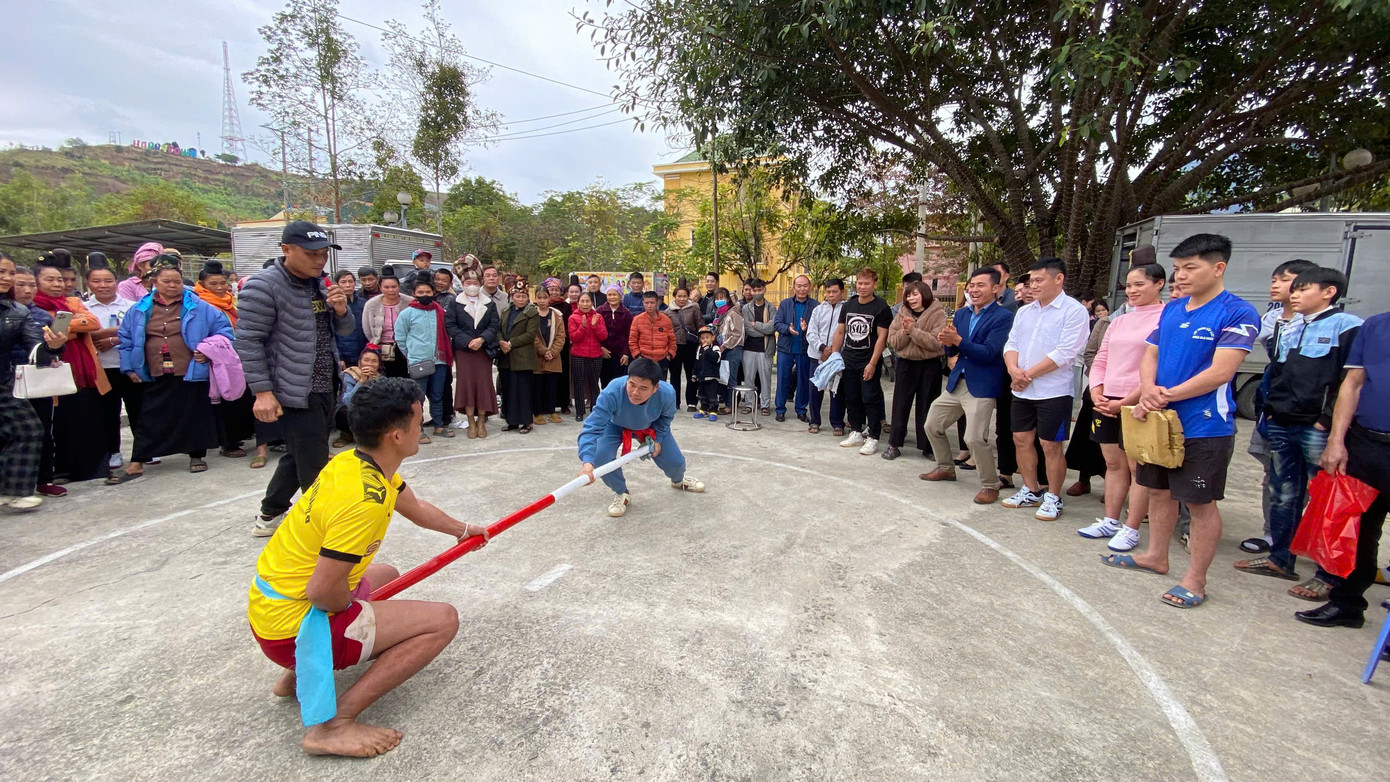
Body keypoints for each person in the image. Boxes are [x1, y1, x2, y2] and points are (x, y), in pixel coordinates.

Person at [247, 376, 488, 758]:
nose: (422, 420)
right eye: (417, 416)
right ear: (396, 435)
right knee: (443, 620)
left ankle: (296, 679)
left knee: (384, 575)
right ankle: (333, 725)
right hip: (291, 628)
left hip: (268, 607)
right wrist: (355, 613)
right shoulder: (365, 501)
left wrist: (462, 530)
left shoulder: (355, 463)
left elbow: (416, 508)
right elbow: (322, 592)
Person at [1106, 234, 1259, 609]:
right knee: (1157, 491)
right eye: (1177, 269)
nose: (1181, 276)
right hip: (1158, 419)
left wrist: (1166, 395)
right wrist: (1149, 391)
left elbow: (1222, 371)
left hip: (1205, 425)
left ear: (1218, 268)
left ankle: (1195, 579)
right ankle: (1156, 556)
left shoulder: (1237, 312)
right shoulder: (1173, 310)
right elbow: (1150, 355)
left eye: (1191, 268)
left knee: (1198, 501)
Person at [1234, 267, 1362, 598]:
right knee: (1283, 493)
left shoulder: (1347, 326)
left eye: (1304, 289)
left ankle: (1327, 574)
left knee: (1326, 500)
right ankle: (1280, 558)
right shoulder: (1288, 325)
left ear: (1329, 292)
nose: (1294, 293)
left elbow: (1352, 383)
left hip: (1316, 428)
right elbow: (1276, 373)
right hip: (1281, 422)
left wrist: (1327, 420)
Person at [236, 221, 357, 537]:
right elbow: (248, 341)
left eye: (323, 254)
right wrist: (262, 392)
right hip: (293, 389)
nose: (319, 261)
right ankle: (319, 531)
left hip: (325, 385)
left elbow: (343, 333)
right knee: (313, 463)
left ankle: (270, 514)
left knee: (302, 452)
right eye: (311, 254)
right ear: (286, 250)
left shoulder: (319, 284)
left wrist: (342, 310)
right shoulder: (263, 286)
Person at [1296, 309, 1390, 629]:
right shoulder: (1376, 326)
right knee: (1356, 531)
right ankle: (1347, 604)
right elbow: (1352, 384)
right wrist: (1336, 441)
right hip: (1367, 444)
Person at [111, 257, 234, 481]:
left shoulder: (200, 307)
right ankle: (138, 461)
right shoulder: (139, 310)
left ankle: (196, 455)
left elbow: (224, 332)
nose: (173, 286)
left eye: (177, 281)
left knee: (194, 414)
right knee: (148, 416)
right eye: (167, 281)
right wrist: (129, 368)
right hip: (154, 370)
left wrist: (207, 349)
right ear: (154, 282)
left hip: (190, 369)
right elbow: (126, 340)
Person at [1076, 264, 1167, 550]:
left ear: (1159, 284)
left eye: (1139, 284)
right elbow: (1101, 357)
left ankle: (1132, 527)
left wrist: (1126, 401)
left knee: (1138, 467)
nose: (1132, 291)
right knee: (1113, 464)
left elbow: (1159, 366)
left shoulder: (1167, 319)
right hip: (1105, 400)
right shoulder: (1119, 321)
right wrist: (1097, 391)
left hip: (1138, 403)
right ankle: (1110, 520)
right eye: (1128, 285)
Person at [1238, 258, 1321, 554]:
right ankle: (1274, 535)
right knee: (1273, 474)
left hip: (1308, 416)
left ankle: (1311, 539)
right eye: (1274, 279)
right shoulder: (1270, 320)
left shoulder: (1325, 324)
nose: (1276, 285)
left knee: (1315, 481)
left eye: (1285, 279)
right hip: (1272, 407)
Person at [999, 258, 1089, 520]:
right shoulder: (1026, 311)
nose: (1033, 286)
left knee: (1050, 445)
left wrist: (1027, 374)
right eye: (1031, 281)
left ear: (1058, 279)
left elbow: (1065, 352)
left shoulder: (1073, 311)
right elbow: (1011, 343)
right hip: (1021, 389)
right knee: (1021, 439)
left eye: (1039, 280)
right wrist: (1014, 371)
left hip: (1054, 391)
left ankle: (1053, 495)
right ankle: (1031, 489)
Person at [921, 268, 1015, 503]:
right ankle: (945, 467)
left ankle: (990, 484)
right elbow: (954, 350)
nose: (973, 290)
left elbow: (991, 353)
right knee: (932, 424)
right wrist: (948, 344)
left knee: (974, 438)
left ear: (995, 288)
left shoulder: (1004, 317)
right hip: (957, 381)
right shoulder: (962, 315)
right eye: (971, 285)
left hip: (982, 384)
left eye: (980, 285)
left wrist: (958, 341)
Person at [577, 357, 706, 517]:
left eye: (643, 388)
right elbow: (592, 427)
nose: (635, 392)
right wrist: (587, 463)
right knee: (600, 457)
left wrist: (657, 438)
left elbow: (666, 418)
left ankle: (678, 480)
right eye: (631, 384)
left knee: (676, 462)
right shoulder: (612, 392)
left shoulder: (666, 394)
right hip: (615, 425)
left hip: (650, 426)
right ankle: (621, 492)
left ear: (655, 388)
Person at [33, 258, 112, 484]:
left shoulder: (72, 301)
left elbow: (92, 322)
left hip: (84, 373)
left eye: (60, 279)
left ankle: (91, 469)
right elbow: (42, 334)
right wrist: (69, 328)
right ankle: (61, 470)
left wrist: (62, 328)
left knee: (87, 422)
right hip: (52, 372)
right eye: (50, 279)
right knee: (60, 425)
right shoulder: (33, 307)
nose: (58, 284)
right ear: (37, 281)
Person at [0, 255, 65, 510]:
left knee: (29, 430)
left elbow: (35, 348)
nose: (6, 278)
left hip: (3, 382)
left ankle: (12, 491)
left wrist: (53, 346)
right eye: (1, 272)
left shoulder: (18, 311)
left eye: (9, 272)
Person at [193, 260, 257, 460]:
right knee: (223, 400)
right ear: (202, 284)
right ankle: (226, 442)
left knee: (239, 398)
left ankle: (239, 436)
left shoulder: (231, 302)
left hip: (237, 357)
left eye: (223, 283)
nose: (220, 288)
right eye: (214, 284)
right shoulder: (199, 305)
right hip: (214, 361)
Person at [84, 261, 140, 472]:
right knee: (108, 413)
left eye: (108, 280)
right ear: (89, 283)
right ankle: (113, 452)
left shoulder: (130, 306)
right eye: (96, 281)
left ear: (116, 282)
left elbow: (137, 333)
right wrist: (118, 331)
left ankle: (142, 450)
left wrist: (112, 339)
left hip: (128, 367)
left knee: (137, 410)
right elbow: (83, 334)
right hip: (100, 368)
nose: (103, 285)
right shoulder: (84, 310)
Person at [883, 280, 947, 460]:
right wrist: (905, 332)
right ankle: (894, 444)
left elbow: (937, 343)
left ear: (925, 295)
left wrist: (914, 332)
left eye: (915, 294)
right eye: (908, 295)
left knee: (927, 406)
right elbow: (893, 341)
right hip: (906, 364)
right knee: (900, 405)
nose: (911, 298)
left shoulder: (937, 313)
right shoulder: (902, 313)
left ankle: (928, 447)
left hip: (930, 365)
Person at [832, 268, 892, 455]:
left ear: (874, 284)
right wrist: (835, 355)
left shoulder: (881, 307)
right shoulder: (848, 306)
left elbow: (882, 337)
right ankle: (856, 431)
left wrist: (873, 363)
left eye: (866, 283)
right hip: (849, 359)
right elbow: (840, 331)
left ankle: (873, 436)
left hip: (868, 361)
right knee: (852, 397)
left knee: (870, 399)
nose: (862, 287)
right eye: (859, 283)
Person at [393, 277, 453, 443]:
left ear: (433, 292)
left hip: (439, 360)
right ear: (414, 294)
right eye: (421, 292)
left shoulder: (440, 311)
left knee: (437, 395)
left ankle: (439, 425)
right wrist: (411, 354)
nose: (425, 294)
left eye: (428, 292)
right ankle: (417, 430)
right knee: (417, 398)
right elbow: (400, 337)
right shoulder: (407, 313)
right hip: (418, 361)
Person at [1063, 300, 1112, 496]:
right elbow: (1091, 353)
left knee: (1114, 441)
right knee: (1086, 433)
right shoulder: (1106, 322)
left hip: (1126, 390)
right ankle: (1084, 479)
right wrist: (1098, 379)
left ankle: (1112, 482)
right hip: (1097, 387)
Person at [445, 271, 499, 439]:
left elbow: (494, 325)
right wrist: (468, 341)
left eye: (474, 282)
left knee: (483, 384)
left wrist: (482, 340)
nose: (471, 285)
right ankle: (470, 420)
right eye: (468, 282)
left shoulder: (488, 303)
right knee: (466, 385)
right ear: (462, 284)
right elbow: (451, 325)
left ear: (480, 283)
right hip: (464, 351)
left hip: (483, 350)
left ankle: (481, 420)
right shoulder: (455, 302)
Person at [774, 275, 818, 423]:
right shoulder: (785, 304)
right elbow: (777, 323)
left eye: (805, 285)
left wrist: (807, 329)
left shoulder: (815, 306)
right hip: (785, 348)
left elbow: (818, 327)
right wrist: (787, 329)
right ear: (793, 288)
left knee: (803, 381)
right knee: (782, 379)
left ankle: (801, 410)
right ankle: (780, 409)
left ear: (809, 287)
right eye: (799, 286)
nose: (802, 288)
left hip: (805, 349)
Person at [497, 282, 540, 433]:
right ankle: (511, 421)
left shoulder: (532, 312)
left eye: (523, 296)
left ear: (528, 298)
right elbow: (499, 329)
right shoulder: (505, 311)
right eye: (517, 296)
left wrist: (510, 343)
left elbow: (530, 334)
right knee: (508, 389)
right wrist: (501, 342)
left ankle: (526, 422)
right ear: (511, 297)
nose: (520, 299)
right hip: (506, 357)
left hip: (523, 357)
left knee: (523, 390)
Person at [805, 278, 846, 436]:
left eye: (834, 292)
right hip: (817, 356)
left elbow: (845, 333)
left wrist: (834, 351)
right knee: (815, 389)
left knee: (836, 391)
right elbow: (811, 332)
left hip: (836, 358)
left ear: (842, 292)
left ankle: (837, 423)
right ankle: (814, 420)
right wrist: (822, 348)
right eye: (828, 292)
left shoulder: (846, 309)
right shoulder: (818, 310)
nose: (831, 295)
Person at [362, 270, 411, 378]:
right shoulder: (371, 304)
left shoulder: (409, 302)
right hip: (381, 349)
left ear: (399, 286)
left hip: (405, 349)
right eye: (386, 287)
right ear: (380, 287)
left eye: (394, 287)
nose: (391, 290)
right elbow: (367, 329)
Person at [568, 291, 608, 421]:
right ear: (578, 303)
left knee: (594, 384)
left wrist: (595, 326)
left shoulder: (598, 316)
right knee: (579, 384)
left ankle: (595, 411)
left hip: (596, 355)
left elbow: (603, 336)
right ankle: (579, 412)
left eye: (587, 301)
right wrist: (583, 327)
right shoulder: (573, 318)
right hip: (578, 355)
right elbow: (574, 338)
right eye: (582, 301)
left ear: (592, 303)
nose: (585, 304)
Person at [531, 285, 568, 425]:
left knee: (552, 385)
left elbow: (561, 336)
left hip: (554, 356)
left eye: (545, 297)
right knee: (537, 386)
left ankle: (551, 411)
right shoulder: (531, 314)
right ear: (535, 299)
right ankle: (537, 413)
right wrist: (543, 351)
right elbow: (532, 335)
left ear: (549, 298)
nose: (542, 301)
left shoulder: (557, 315)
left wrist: (552, 352)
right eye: (539, 298)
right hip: (537, 356)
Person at [740, 279, 776, 416]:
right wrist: (763, 328)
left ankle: (765, 405)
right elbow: (748, 329)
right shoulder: (746, 308)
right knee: (749, 378)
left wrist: (756, 325)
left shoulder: (771, 308)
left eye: (759, 290)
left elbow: (772, 328)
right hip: (749, 348)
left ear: (764, 290)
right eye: (754, 290)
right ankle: (749, 404)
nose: (756, 293)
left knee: (765, 378)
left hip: (766, 349)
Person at [334, 347, 381, 445]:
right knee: (344, 413)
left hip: (369, 413)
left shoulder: (381, 378)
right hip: (350, 411)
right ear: (359, 363)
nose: (370, 364)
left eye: (374, 361)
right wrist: (361, 382)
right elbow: (347, 401)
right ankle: (347, 433)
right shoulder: (349, 374)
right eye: (366, 360)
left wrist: (374, 382)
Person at [667, 287, 703, 412]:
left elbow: (700, 325)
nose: (682, 299)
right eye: (679, 296)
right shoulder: (668, 312)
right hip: (675, 347)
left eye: (684, 296)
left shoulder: (694, 309)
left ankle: (692, 402)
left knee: (691, 374)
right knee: (675, 376)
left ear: (688, 297)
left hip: (691, 346)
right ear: (674, 297)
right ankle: (675, 402)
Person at [629, 290, 676, 378]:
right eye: (647, 303)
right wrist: (637, 355)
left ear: (657, 302)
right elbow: (632, 340)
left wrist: (670, 354)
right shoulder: (637, 319)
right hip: (643, 357)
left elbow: (672, 339)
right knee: (644, 385)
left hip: (662, 358)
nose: (649, 305)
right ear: (643, 303)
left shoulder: (666, 320)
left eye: (652, 303)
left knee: (660, 386)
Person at [713, 287, 745, 414]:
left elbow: (737, 334)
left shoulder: (733, 313)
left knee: (731, 379)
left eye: (722, 298)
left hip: (733, 349)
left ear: (727, 299)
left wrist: (724, 345)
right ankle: (727, 403)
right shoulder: (720, 314)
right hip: (724, 350)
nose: (719, 300)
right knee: (724, 378)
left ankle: (730, 406)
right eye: (717, 298)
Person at [331, 269, 368, 369]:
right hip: (343, 355)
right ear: (337, 284)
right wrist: (339, 356)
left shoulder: (364, 303)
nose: (348, 285)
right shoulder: (332, 305)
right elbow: (331, 333)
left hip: (363, 353)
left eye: (350, 282)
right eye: (343, 282)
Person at [598, 284, 633, 385]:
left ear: (620, 296)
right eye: (609, 294)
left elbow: (629, 335)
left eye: (615, 294)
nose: (612, 297)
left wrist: (626, 354)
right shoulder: (600, 311)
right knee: (605, 382)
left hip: (620, 355)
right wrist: (601, 347)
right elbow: (595, 332)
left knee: (619, 383)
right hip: (603, 354)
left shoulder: (626, 313)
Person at [692, 326, 722, 421]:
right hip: (701, 376)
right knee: (702, 394)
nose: (705, 340)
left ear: (713, 338)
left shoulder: (715, 347)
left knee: (712, 394)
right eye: (702, 338)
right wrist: (694, 374)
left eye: (707, 337)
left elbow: (715, 358)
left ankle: (713, 410)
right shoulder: (699, 348)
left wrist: (707, 349)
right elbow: (697, 362)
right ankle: (703, 408)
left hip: (712, 376)